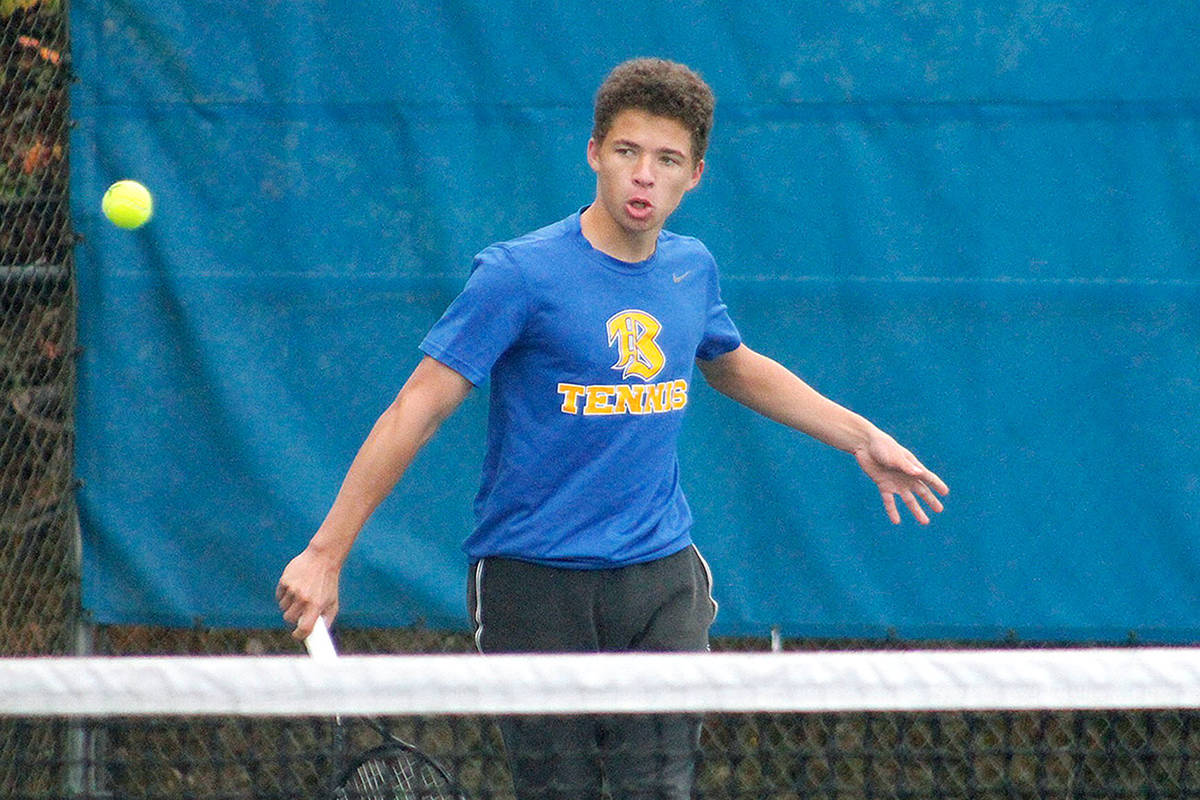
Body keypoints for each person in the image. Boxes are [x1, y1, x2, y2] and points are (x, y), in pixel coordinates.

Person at [277, 57, 949, 800]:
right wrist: (325, 552)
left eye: (668, 160)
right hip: (533, 582)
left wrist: (862, 437)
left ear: (695, 175)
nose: (644, 177)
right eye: (628, 152)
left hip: (659, 576)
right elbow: (418, 408)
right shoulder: (517, 275)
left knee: (659, 787)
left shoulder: (691, 269)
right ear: (594, 151)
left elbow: (731, 364)